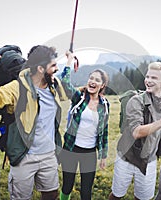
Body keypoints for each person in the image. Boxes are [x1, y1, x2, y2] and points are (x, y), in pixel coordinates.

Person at [0, 45, 69, 200]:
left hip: (49, 154)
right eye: (53, 65)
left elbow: (67, 92)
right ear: (40, 69)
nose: (57, 69)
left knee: (51, 194)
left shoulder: (54, 84)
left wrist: (88, 90)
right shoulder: (17, 88)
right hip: (24, 157)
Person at [109, 62, 161, 200]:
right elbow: (136, 132)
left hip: (149, 159)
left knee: (143, 198)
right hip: (127, 157)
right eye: (147, 76)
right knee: (117, 195)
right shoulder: (135, 101)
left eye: (154, 78)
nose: (148, 80)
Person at [59, 51, 110, 200]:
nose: (92, 82)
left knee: (86, 191)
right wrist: (69, 61)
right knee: (67, 186)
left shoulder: (105, 105)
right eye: (91, 78)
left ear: (102, 85)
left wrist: (103, 155)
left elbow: (104, 130)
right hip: (71, 148)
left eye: (97, 80)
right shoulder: (78, 98)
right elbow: (65, 83)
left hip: (89, 153)